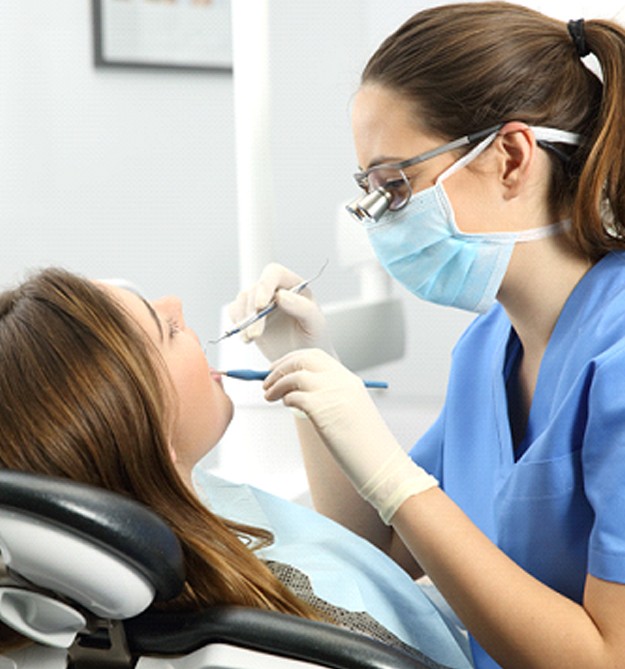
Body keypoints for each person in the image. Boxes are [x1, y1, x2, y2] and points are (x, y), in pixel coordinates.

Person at [227, 3, 625, 668]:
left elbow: (607, 656)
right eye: (369, 193)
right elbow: (380, 542)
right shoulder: (484, 350)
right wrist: (307, 366)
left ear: (509, 157)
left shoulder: (615, 357)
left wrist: (393, 473)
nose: (375, 222)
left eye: (395, 186)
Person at [0, 267, 472, 669]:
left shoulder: (166, 507)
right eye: (165, 329)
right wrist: (394, 482)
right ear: (150, 438)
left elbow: (357, 558)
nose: (176, 304)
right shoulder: (295, 632)